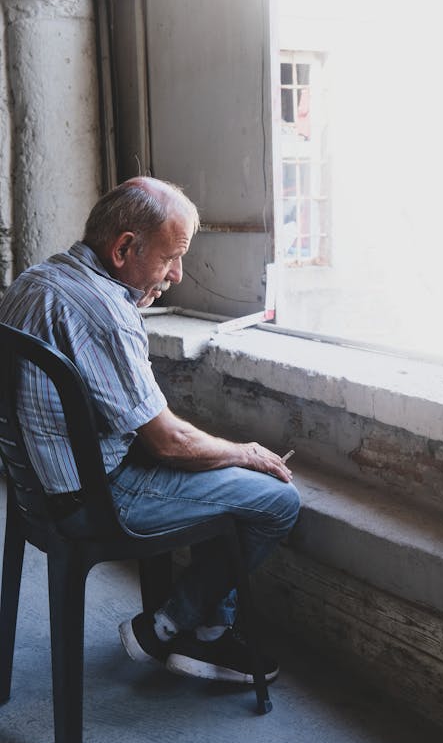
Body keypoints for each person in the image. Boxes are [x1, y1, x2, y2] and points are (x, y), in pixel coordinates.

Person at [0, 176, 300, 684]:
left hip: (38, 489)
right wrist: (243, 451)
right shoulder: (105, 314)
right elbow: (168, 441)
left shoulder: (37, 280)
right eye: (169, 257)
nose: (178, 274)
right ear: (123, 248)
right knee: (276, 499)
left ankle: (205, 636)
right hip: (93, 498)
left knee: (217, 465)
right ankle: (166, 627)